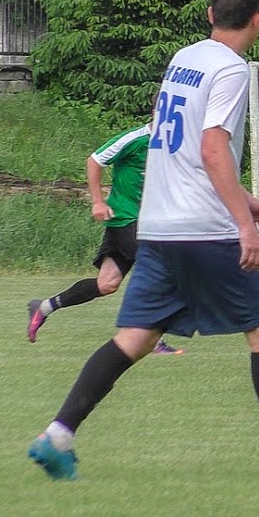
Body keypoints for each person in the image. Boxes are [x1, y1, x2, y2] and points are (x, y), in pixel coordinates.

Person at [27, 0, 259, 481]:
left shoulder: (185, 59)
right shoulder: (231, 69)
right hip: (206, 229)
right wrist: (244, 225)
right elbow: (211, 147)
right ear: (258, 19)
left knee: (135, 337)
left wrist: (247, 200)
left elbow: (176, 146)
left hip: (158, 226)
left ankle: (58, 435)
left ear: (208, 15)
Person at [25, 120, 183, 355]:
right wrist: (98, 202)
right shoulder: (135, 139)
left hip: (150, 221)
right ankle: (151, 339)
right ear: (157, 112)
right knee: (160, 270)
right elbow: (95, 160)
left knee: (107, 284)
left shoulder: (176, 142)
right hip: (127, 218)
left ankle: (45, 307)